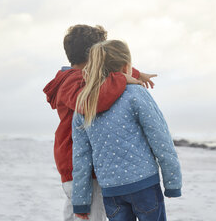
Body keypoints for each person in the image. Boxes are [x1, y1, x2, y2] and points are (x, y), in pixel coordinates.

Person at [43, 25, 157, 221]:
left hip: (84, 163)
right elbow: (91, 102)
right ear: (94, 54)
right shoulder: (72, 81)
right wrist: (122, 78)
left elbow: (111, 69)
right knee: (89, 215)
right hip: (79, 164)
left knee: (77, 214)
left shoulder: (84, 76)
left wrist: (136, 73)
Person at [72, 40, 182, 221]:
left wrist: (81, 202)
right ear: (126, 66)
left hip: (111, 191)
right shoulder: (135, 93)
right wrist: (173, 182)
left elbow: (81, 158)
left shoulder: (84, 104)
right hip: (145, 185)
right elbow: (161, 139)